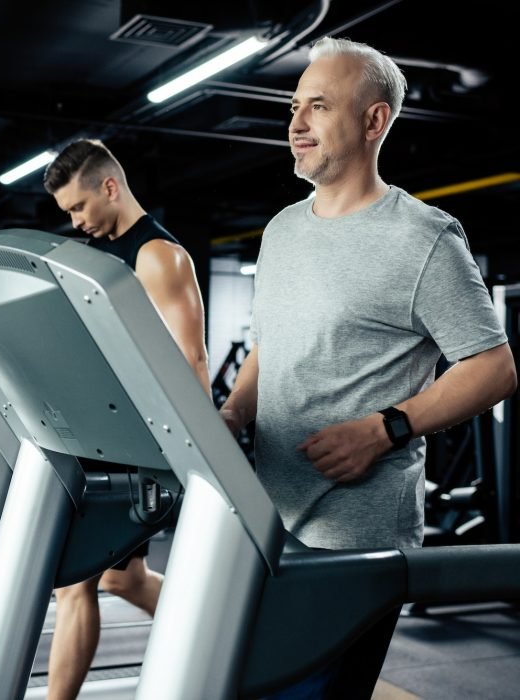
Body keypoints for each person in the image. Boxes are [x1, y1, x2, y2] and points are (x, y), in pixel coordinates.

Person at [219, 36, 517, 698]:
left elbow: (494, 368)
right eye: (294, 106)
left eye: (318, 106)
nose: (294, 124)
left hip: (355, 537)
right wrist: (233, 412)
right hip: (267, 521)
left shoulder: (423, 238)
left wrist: (386, 428)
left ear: (373, 121)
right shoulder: (282, 231)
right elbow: (269, 343)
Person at [42, 138, 211, 700]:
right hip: (100, 435)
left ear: (110, 186)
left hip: (137, 445)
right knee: (123, 578)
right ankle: (234, 630)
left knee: (74, 585)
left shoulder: (158, 256)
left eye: (79, 207)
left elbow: (190, 358)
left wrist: (200, 460)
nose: (75, 220)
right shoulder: (96, 255)